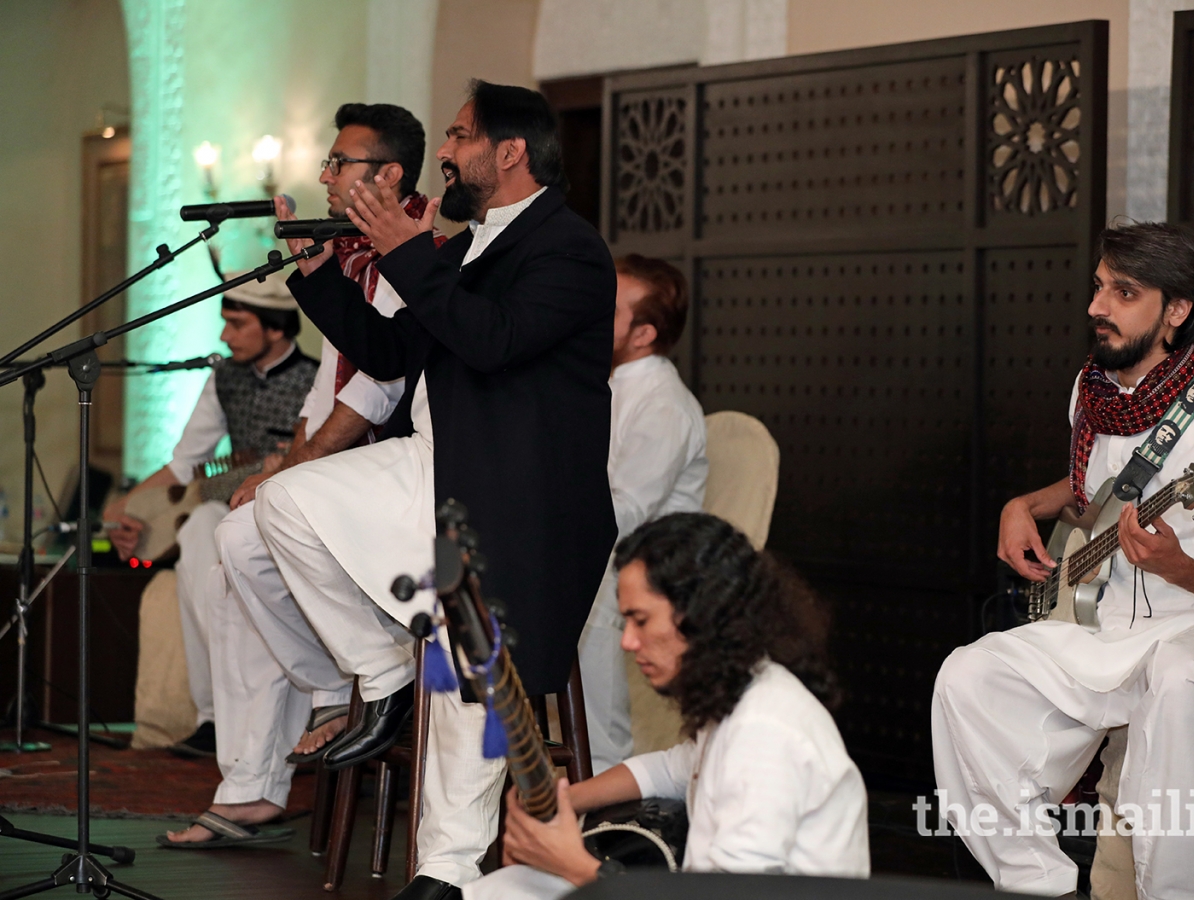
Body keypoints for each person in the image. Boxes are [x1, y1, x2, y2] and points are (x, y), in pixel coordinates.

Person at [253, 80, 616, 899]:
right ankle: (382, 677)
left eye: (457, 136)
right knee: (286, 503)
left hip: (519, 502)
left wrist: (404, 252)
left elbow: (494, 343)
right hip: (434, 466)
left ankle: (444, 874)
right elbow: (389, 352)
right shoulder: (463, 246)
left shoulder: (569, 249)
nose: (444, 154)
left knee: (466, 678)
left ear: (511, 151)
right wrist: (318, 273)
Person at [932, 222, 1194, 898]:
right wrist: (1022, 503)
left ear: (1176, 311)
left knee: (1176, 681)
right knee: (966, 676)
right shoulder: (1093, 395)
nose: (1098, 306)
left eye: (1124, 292)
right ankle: (1041, 881)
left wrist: (1180, 567)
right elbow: (1095, 486)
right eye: (1099, 288)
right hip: (1110, 631)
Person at [158, 102, 444, 848]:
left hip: (404, 479)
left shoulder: (415, 242)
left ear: (386, 174)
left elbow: (377, 385)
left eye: (338, 163)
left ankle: (330, 699)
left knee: (249, 538)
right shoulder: (348, 247)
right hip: (354, 471)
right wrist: (288, 463)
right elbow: (339, 380)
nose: (322, 175)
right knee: (234, 539)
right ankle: (272, 756)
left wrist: (299, 468)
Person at [465, 512, 870, 900]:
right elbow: (675, 769)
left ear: (701, 612)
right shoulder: (743, 695)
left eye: (641, 620)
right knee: (505, 889)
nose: (627, 641)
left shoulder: (765, 731)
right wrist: (566, 800)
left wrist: (575, 865)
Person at [103, 273, 316, 759]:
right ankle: (213, 718)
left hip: (293, 518)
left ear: (277, 329)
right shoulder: (224, 378)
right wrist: (121, 513)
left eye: (237, 325)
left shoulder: (315, 381)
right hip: (230, 513)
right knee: (202, 525)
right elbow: (183, 464)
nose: (225, 337)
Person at [578, 255, 707, 772]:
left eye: (607, 310)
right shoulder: (601, 383)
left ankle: (603, 795)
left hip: (646, 574)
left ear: (643, 333)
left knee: (584, 602)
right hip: (599, 558)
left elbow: (624, 513)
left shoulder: (664, 403)